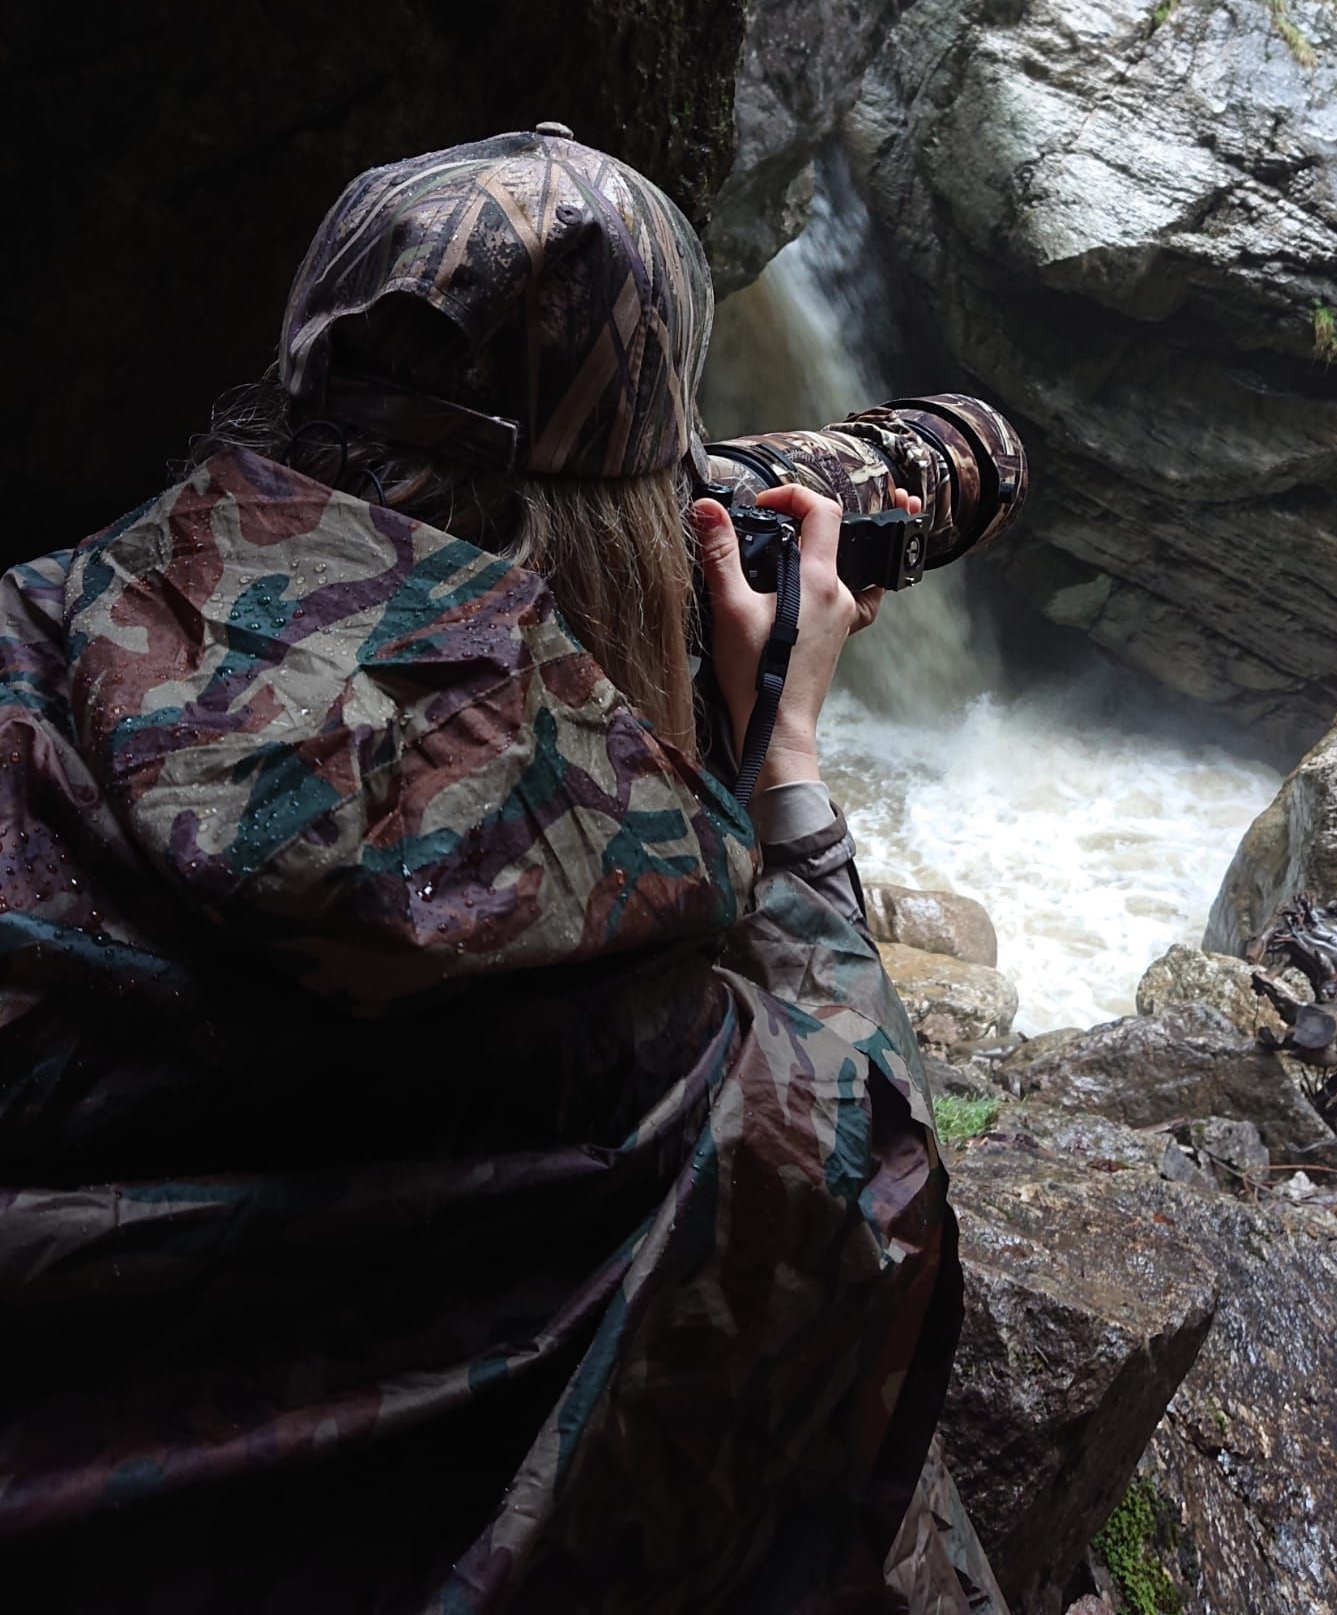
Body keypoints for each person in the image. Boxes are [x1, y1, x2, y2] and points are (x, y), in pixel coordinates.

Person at [0, 129, 1002, 1612]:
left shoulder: (31, 628)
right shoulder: (634, 973)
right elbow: (855, 1206)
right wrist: (770, 765)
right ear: (636, 532)